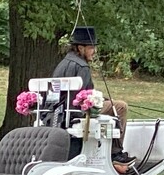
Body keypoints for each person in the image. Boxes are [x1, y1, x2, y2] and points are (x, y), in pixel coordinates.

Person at [51, 26, 132, 165]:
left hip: (59, 111)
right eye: (91, 48)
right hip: (78, 112)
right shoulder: (82, 66)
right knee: (120, 107)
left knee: (112, 103)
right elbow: (85, 96)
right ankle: (115, 153)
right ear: (80, 48)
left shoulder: (62, 64)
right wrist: (107, 101)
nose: (94, 52)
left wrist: (105, 100)